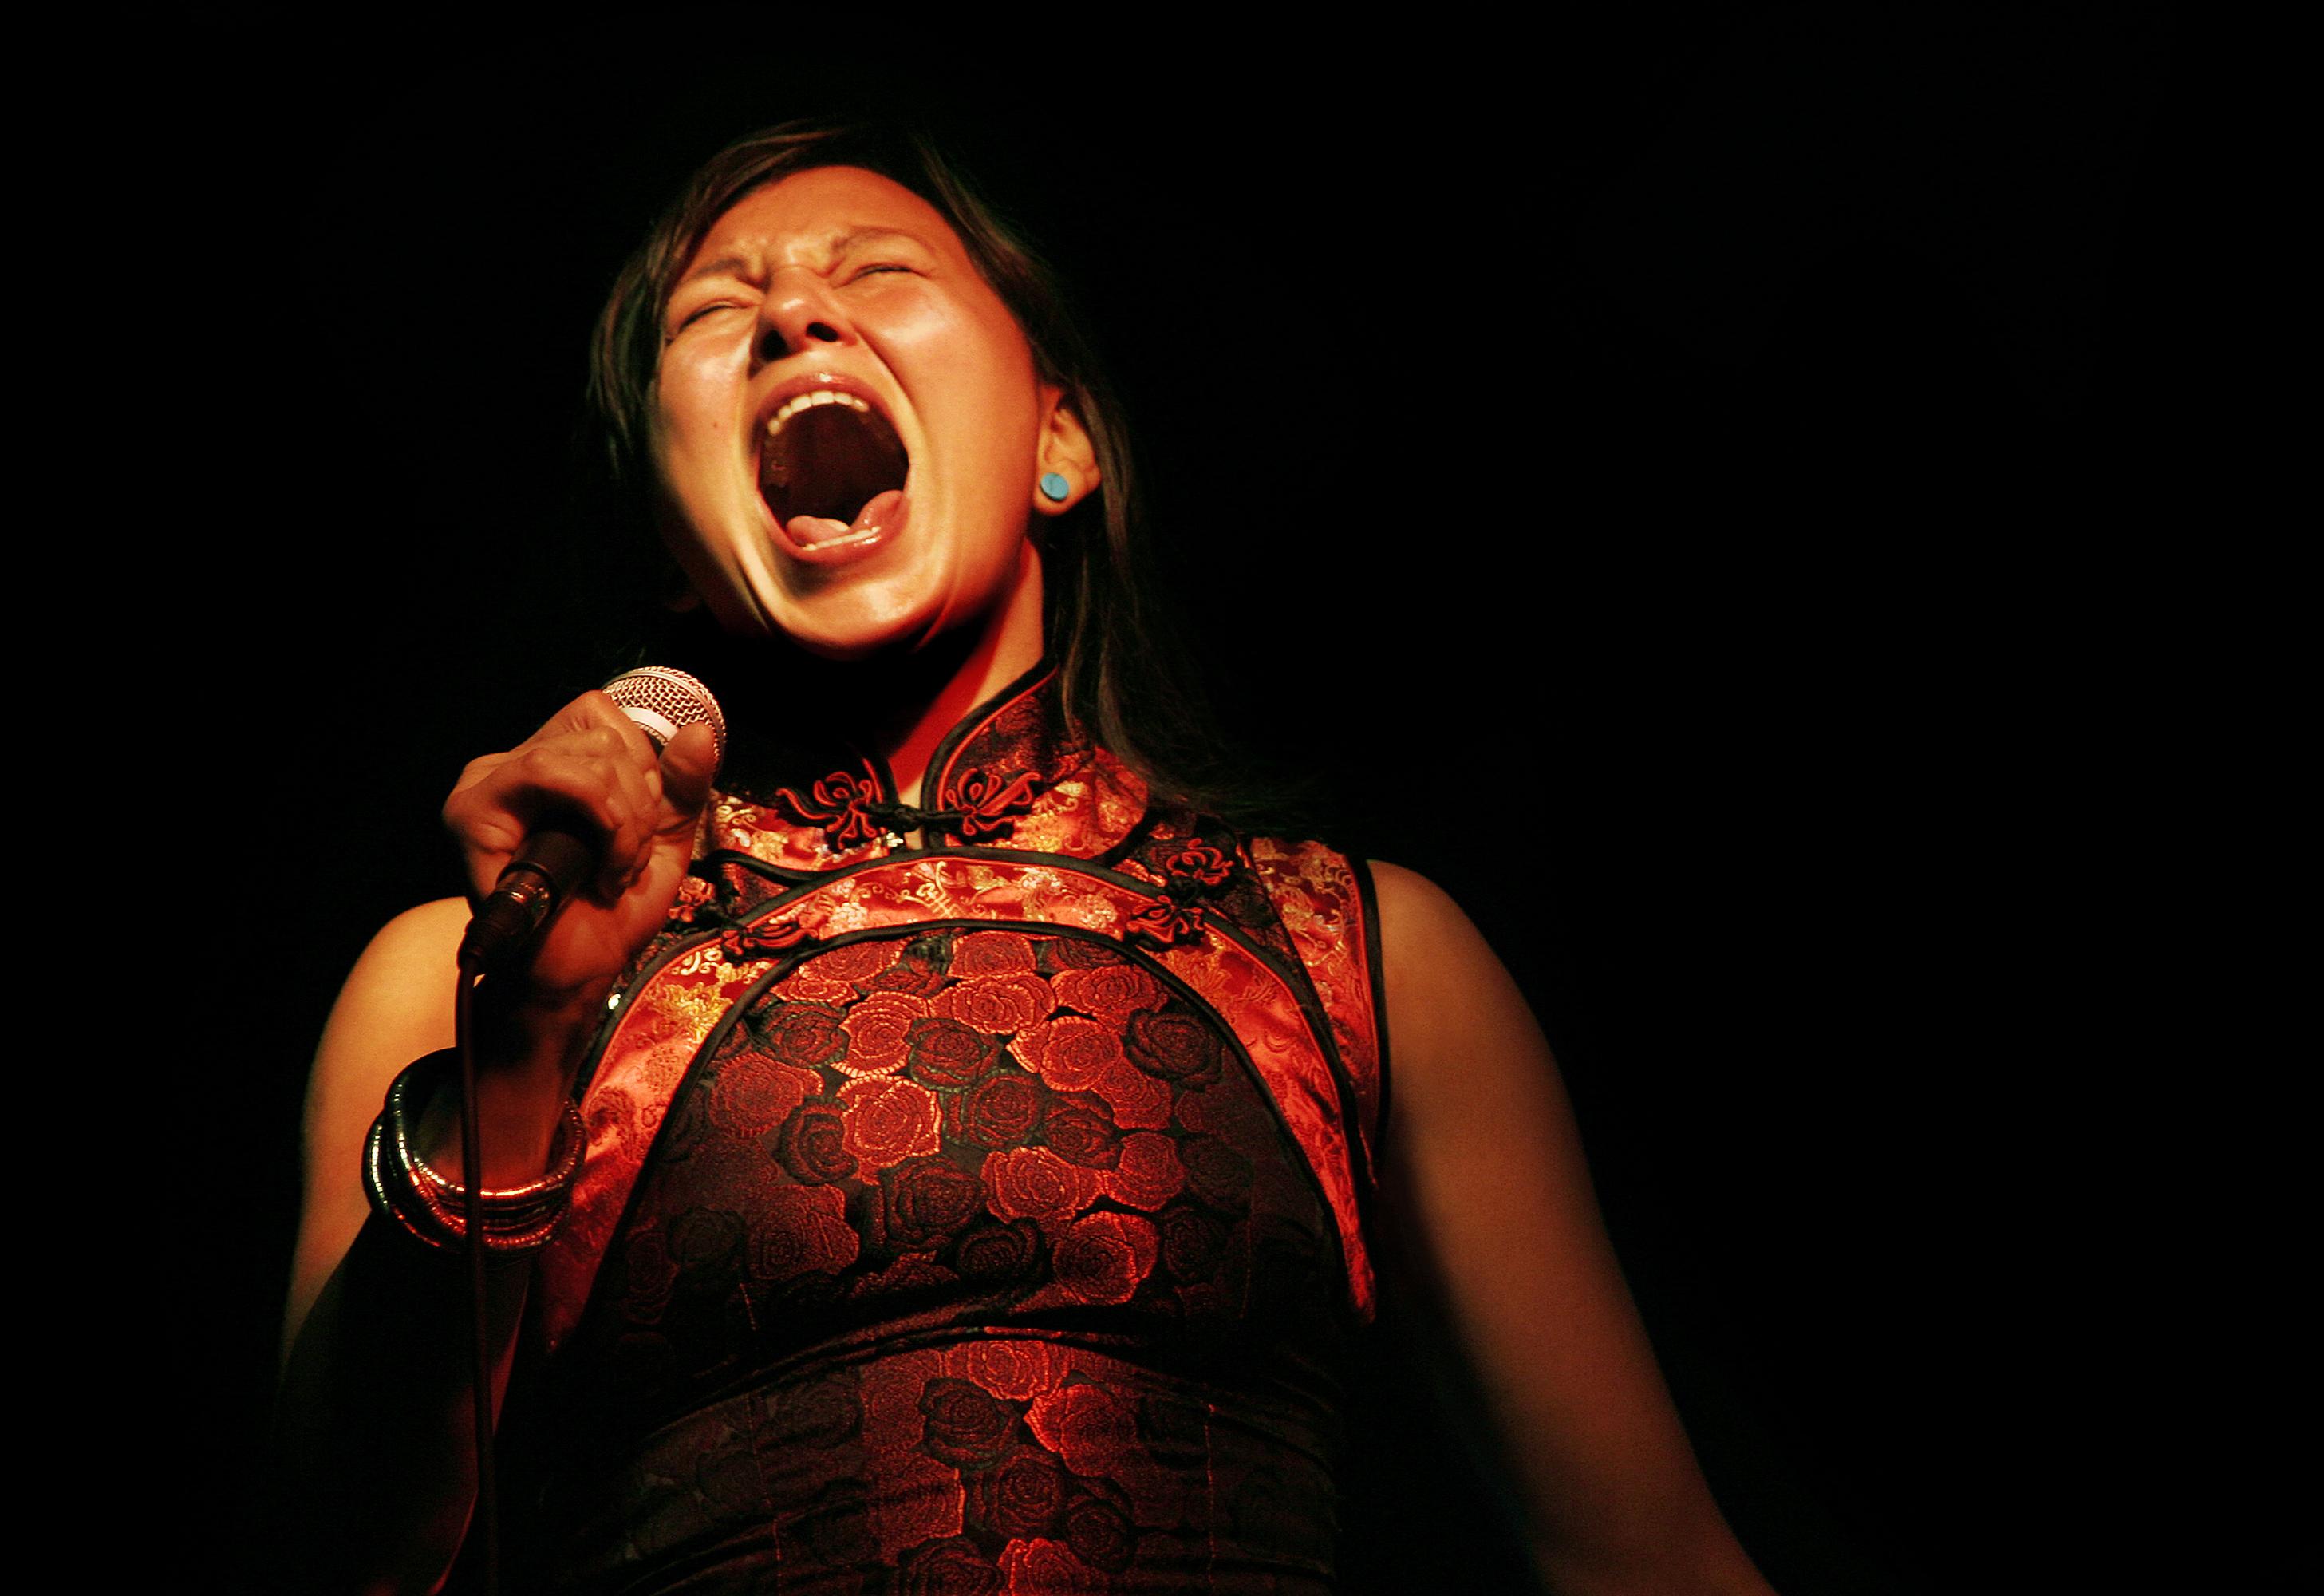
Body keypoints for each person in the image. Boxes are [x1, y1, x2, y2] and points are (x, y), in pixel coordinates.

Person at [277, 119, 1776, 1595]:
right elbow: (348, 1557)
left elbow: (1651, 1562)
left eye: (875, 271)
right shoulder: (463, 976)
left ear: (1061, 440)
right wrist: (524, 1041)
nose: (796, 312)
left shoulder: (1356, 950)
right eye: (716, 310)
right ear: (670, 542)